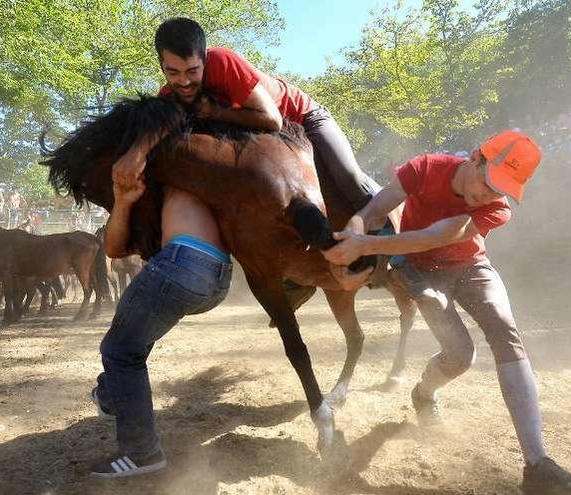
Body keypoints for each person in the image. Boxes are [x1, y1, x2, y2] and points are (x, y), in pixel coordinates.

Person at [321, 130, 571, 495]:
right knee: (460, 356)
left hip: (471, 266)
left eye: (499, 190)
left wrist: (368, 244)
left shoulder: (496, 208)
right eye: (488, 182)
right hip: (419, 270)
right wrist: (353, 234)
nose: (487, 195)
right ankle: (423, 393)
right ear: (475, 158)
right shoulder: (423, 169)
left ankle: (538, 465)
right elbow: (374, 208)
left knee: (504, 327)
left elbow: (439, 235)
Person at [113, 17, 387, 234]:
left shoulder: (224, 62)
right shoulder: (170, 94)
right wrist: (135, 154)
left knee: (348, 176)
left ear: (205, 60)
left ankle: (395, 241)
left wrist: (215, 112)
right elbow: (165, 122)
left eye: (192, 71)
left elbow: (272, 120)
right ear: (162, 66)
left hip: (303, 118)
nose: (183, 82)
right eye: (173, 72)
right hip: (273, 145)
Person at [88, 141, 233, 478]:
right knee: (133, 341)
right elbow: (114, 249)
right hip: (219, 278)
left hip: (183, 264)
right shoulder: (204, 175)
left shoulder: (166, 177)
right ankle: (110, 394)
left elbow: (112, 248)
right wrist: (124, 201)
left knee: (119, 350)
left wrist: (123, 199)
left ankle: (141, 453)